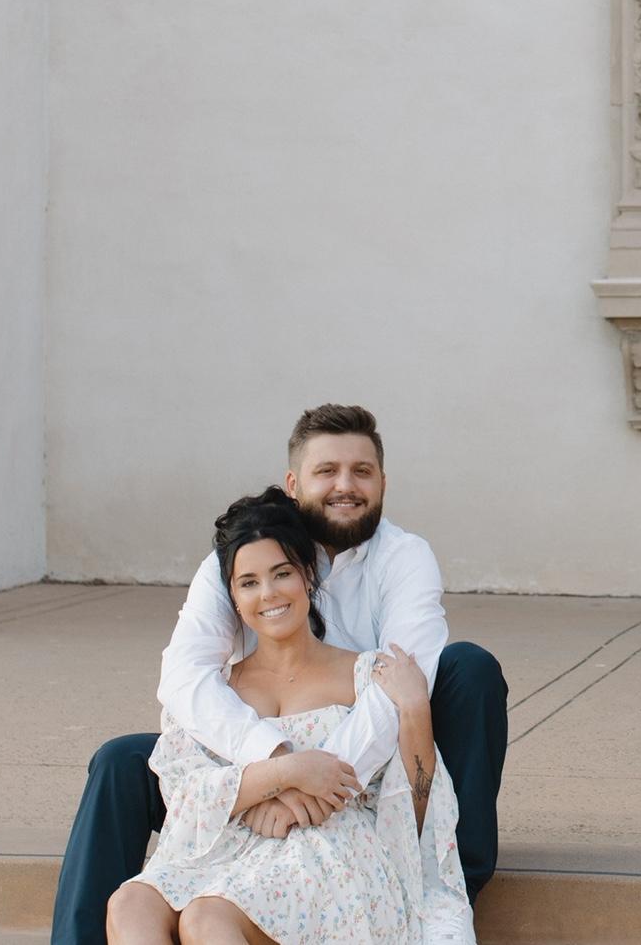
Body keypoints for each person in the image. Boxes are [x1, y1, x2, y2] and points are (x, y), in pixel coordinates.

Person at [52, 404, 508, 945]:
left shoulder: (405, 557)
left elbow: (398, 686)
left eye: (361, 471)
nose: (345, 486)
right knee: (121, 762)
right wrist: (279, 765)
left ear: (383, 482)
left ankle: (451, 880)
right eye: (326, 471)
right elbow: (184, 676)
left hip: (363, 764)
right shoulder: (243, 551)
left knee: (468, 669)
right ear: (294, 484)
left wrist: (320, 786)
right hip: (253, 753)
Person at [107, 489, 472, 944]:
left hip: (327, 852)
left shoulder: (369, 678)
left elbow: (414, 808)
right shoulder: (214, 694)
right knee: (130, 904)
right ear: (233, 597)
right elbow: (186, 799)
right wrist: (286, 772)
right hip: (225, 846)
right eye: (249, 582)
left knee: (207, 918)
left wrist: (415, 708)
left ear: (308, 577)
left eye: (281, 574)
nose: (269, 594)